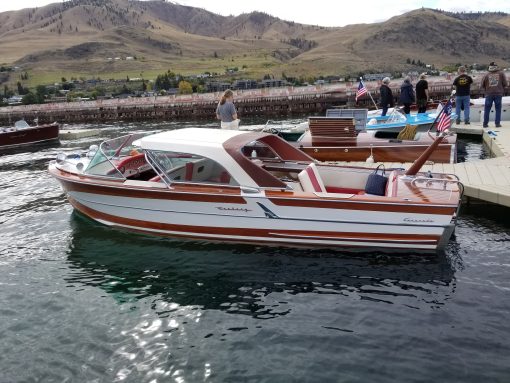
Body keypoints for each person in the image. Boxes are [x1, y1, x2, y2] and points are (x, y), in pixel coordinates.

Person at [481, 62, 508, 128]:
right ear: (496, 66)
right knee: (498, 109)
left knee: (487, 109)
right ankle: (497, 124)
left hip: (489, 94)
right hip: (498, 94)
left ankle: (485, 124)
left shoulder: (486, 75)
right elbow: (505, 84)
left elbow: (482, 85)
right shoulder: (501, 74)